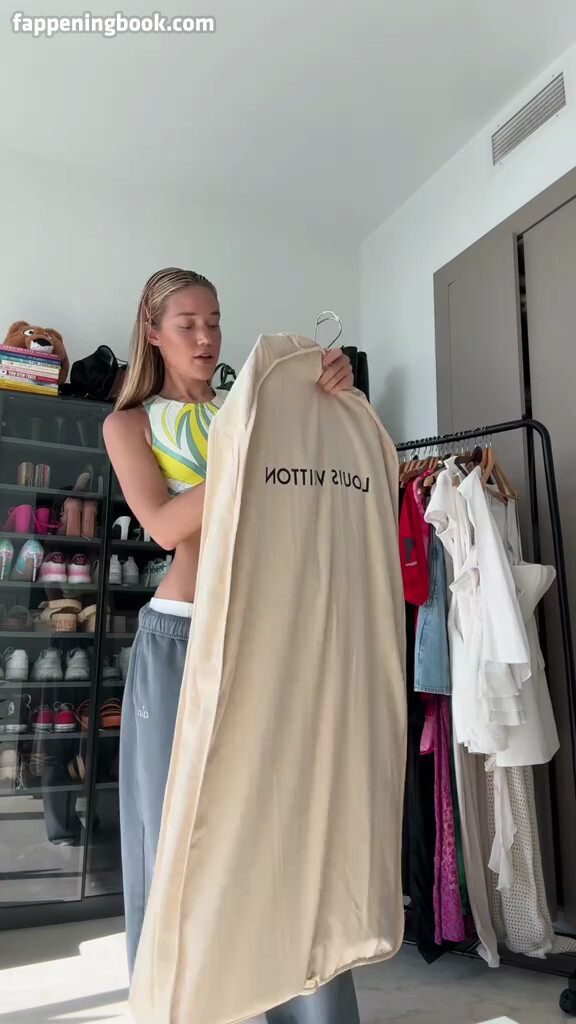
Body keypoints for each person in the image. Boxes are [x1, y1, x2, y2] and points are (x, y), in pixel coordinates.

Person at [104, 267, 361, 1024]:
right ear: (153, 332)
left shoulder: (248, 410)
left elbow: (312, 481)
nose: (206, 337)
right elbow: (163, 525)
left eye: (214, 321)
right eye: (187, 323)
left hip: (267, 634)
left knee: (285, 831)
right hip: (182, 639)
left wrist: (331, 396)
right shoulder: (131, 424)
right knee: (180, 839)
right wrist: (257, 444)